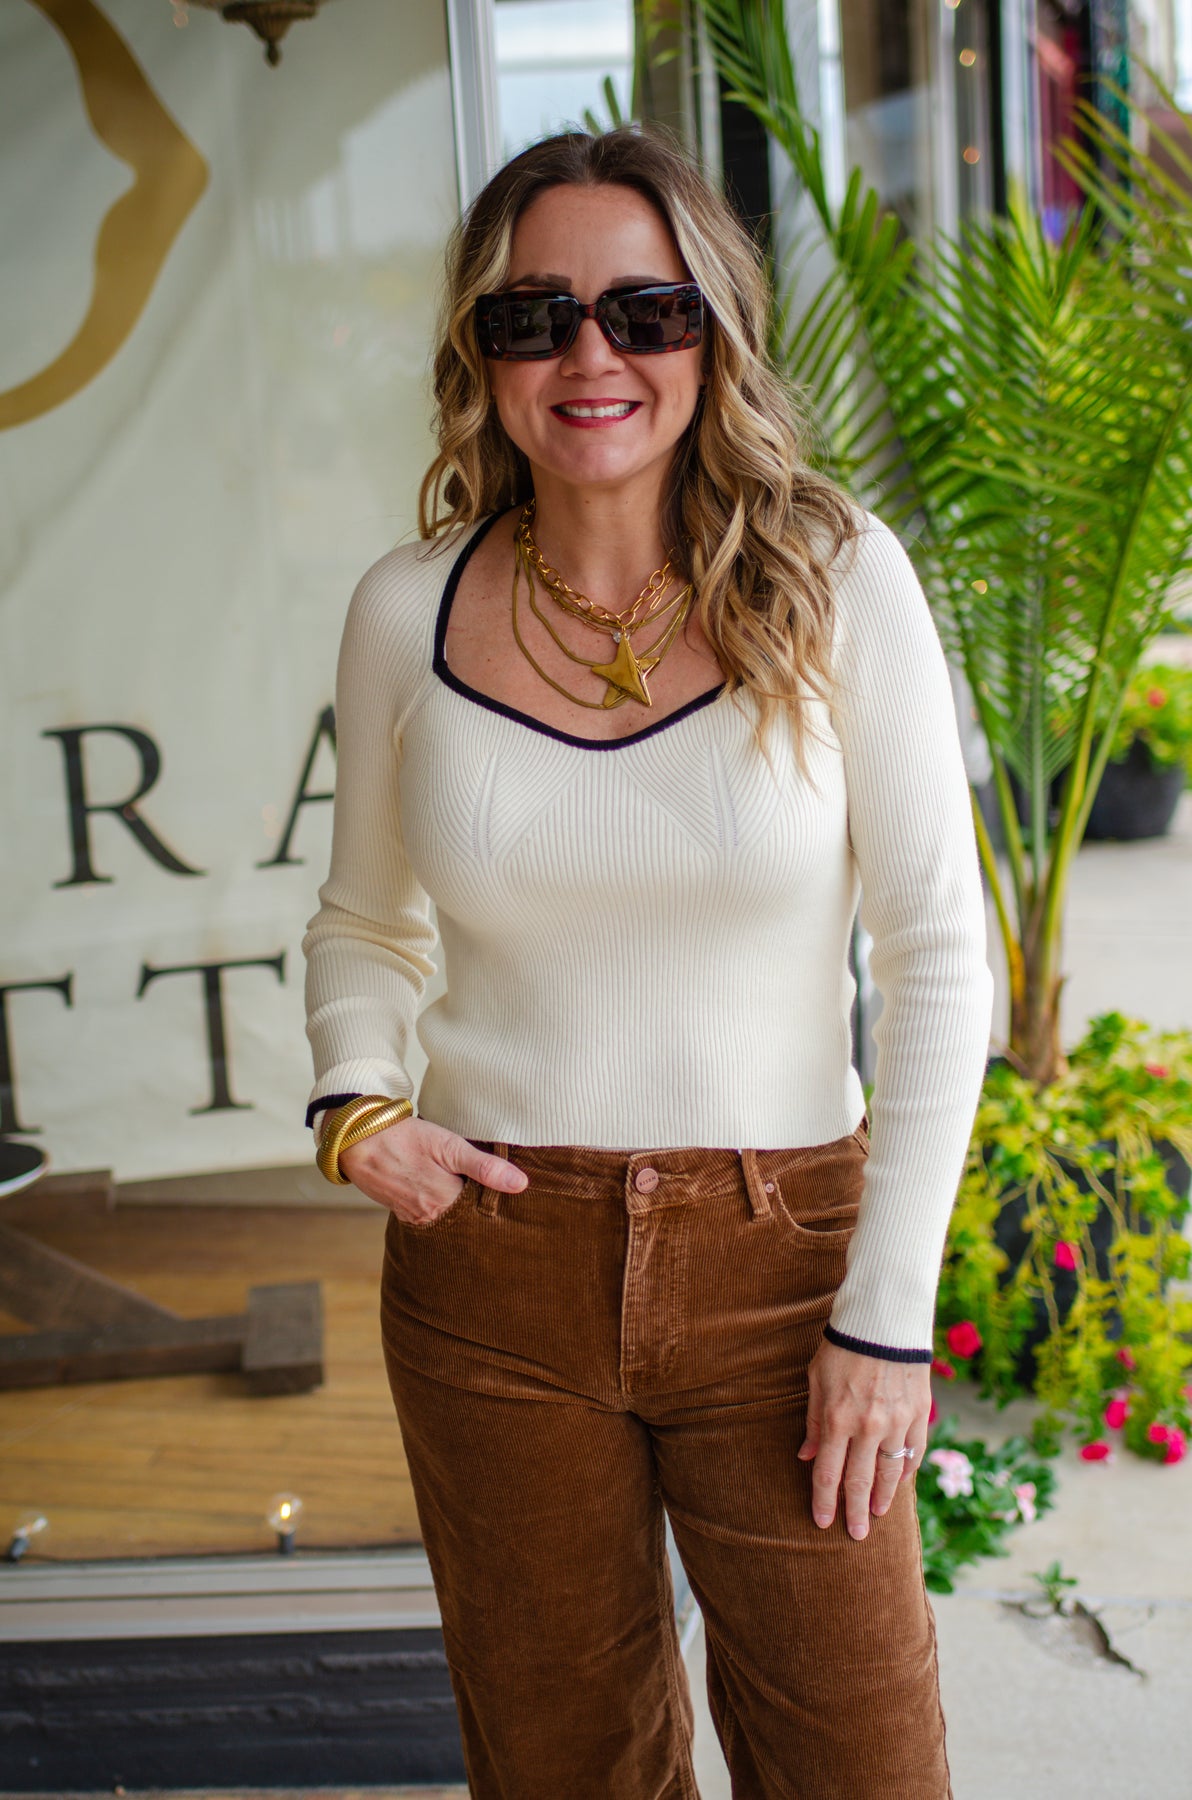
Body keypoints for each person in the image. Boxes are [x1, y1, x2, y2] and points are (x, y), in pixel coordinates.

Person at [303, 126, 993, 1800]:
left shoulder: (840, 579)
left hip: (787, 1259)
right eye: (534, 316)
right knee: (563, 1767)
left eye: (645, 310)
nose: (590, 355)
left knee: (859, 1761)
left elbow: (935, 953)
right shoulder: (405, 608)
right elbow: (364, 921)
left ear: (715, 333)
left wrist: (886, 1319)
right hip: (494, 1272)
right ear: (482, 350)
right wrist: (355, 1103)